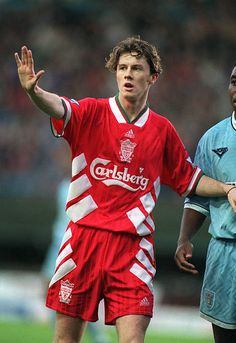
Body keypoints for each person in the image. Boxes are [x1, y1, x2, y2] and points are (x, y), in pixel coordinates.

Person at [14, 37, 236, 343]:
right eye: (122, 68)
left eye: (136, 68)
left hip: (132, 250)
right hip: (83, 241)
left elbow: (190, 179)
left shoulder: (162, 130)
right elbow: (59, 107)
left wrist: (226, 188)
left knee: (132, 340)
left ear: (152, 77)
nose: (128, 74)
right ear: (115, 73)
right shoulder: (92, 112)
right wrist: (34, 91)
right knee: (66, 340)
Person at [175, 64, 236, 343]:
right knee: (224, 336)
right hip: (223, 253)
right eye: (234, 82)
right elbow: (197, 195)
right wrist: (184, 237)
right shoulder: (212, 138)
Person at [42, 177, 111, 343]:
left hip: (74, 245)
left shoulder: (90, 184)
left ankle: (96, 336)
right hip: (58, 244)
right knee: (48, 289)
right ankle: (60, 332)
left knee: (74, 296)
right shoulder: (64, 185)